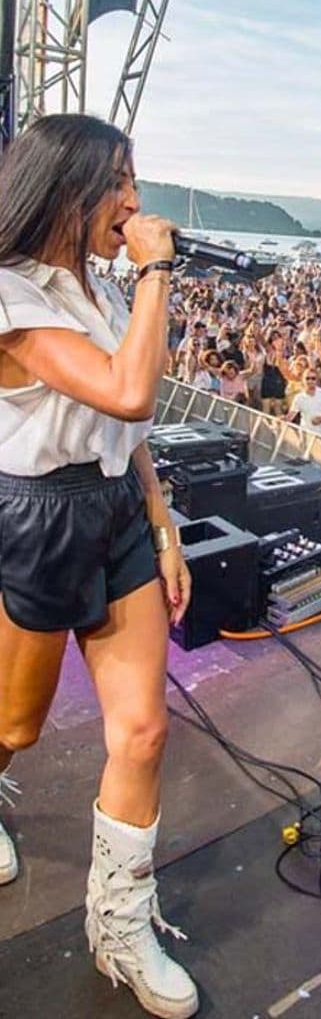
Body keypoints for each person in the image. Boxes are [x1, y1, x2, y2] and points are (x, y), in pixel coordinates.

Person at [0, 115, 197, 1016]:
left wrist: (162, 524)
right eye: (117, 181)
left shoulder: (104, 293)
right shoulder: (9, 295)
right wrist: (157, 268)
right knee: (15, 729)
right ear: (65, 187)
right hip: (40, 519)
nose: (133, 201)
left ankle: (119, 921)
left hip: (115, 507)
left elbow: (133, 426)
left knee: (144, 731)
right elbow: (124, 385)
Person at [286, 368, 321, 436]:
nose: (310, 381)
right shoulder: (298, 397)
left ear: (317, 380)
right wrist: (282, 419)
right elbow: (290, 416)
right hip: (305, 433)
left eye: (313, 378)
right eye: (307, 378)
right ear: (303, 379)